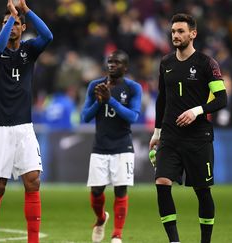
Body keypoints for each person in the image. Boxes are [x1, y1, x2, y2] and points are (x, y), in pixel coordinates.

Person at [149, 13, 227, 243]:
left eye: (181, 31)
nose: (176, 35)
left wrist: (197, 111)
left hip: (198, 137)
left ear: (193, 34)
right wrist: (157, 132)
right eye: (173, 31)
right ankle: (174, 241)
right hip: (170, 136)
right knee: (162, 182)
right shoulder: (166, 63)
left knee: (202, 192)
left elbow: (222, 99)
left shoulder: (207, 64)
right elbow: (161, 100)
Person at [0, 0, 53, 242]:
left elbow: (48, 35)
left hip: (24, 126)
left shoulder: (29, 50)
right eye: (5, 23)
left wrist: (26, 10)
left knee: (33, 182)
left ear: (23, 28)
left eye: (15, 24)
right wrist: (12, 15)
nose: (10, 26)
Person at [81, 50, 142, 243]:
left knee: (120, 190)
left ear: (125, 67)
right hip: (100, 146)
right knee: (96, 191)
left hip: (123, 146)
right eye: (109, 62)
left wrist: (110, 101)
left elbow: (133, 116)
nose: (112, 65)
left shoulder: (133, 88)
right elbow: (85, 117)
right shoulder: (95, 86)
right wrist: (99, 103)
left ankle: (117, 234)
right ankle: (101, 218)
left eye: (117, 62)